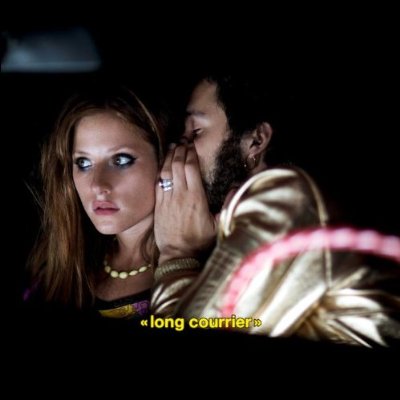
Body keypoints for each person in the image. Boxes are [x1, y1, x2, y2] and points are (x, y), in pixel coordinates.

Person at [151, 72, 400, 347]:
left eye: (196, 131)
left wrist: (176, 254)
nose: (180, 151)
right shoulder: (249, 214)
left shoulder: (288, 197)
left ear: (256, 141)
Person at [25, 83, 166, 320]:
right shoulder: (59, 268)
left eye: (120, 160)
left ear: (165, 159)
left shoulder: (211, 269)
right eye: (83, 163)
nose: (97, 185)